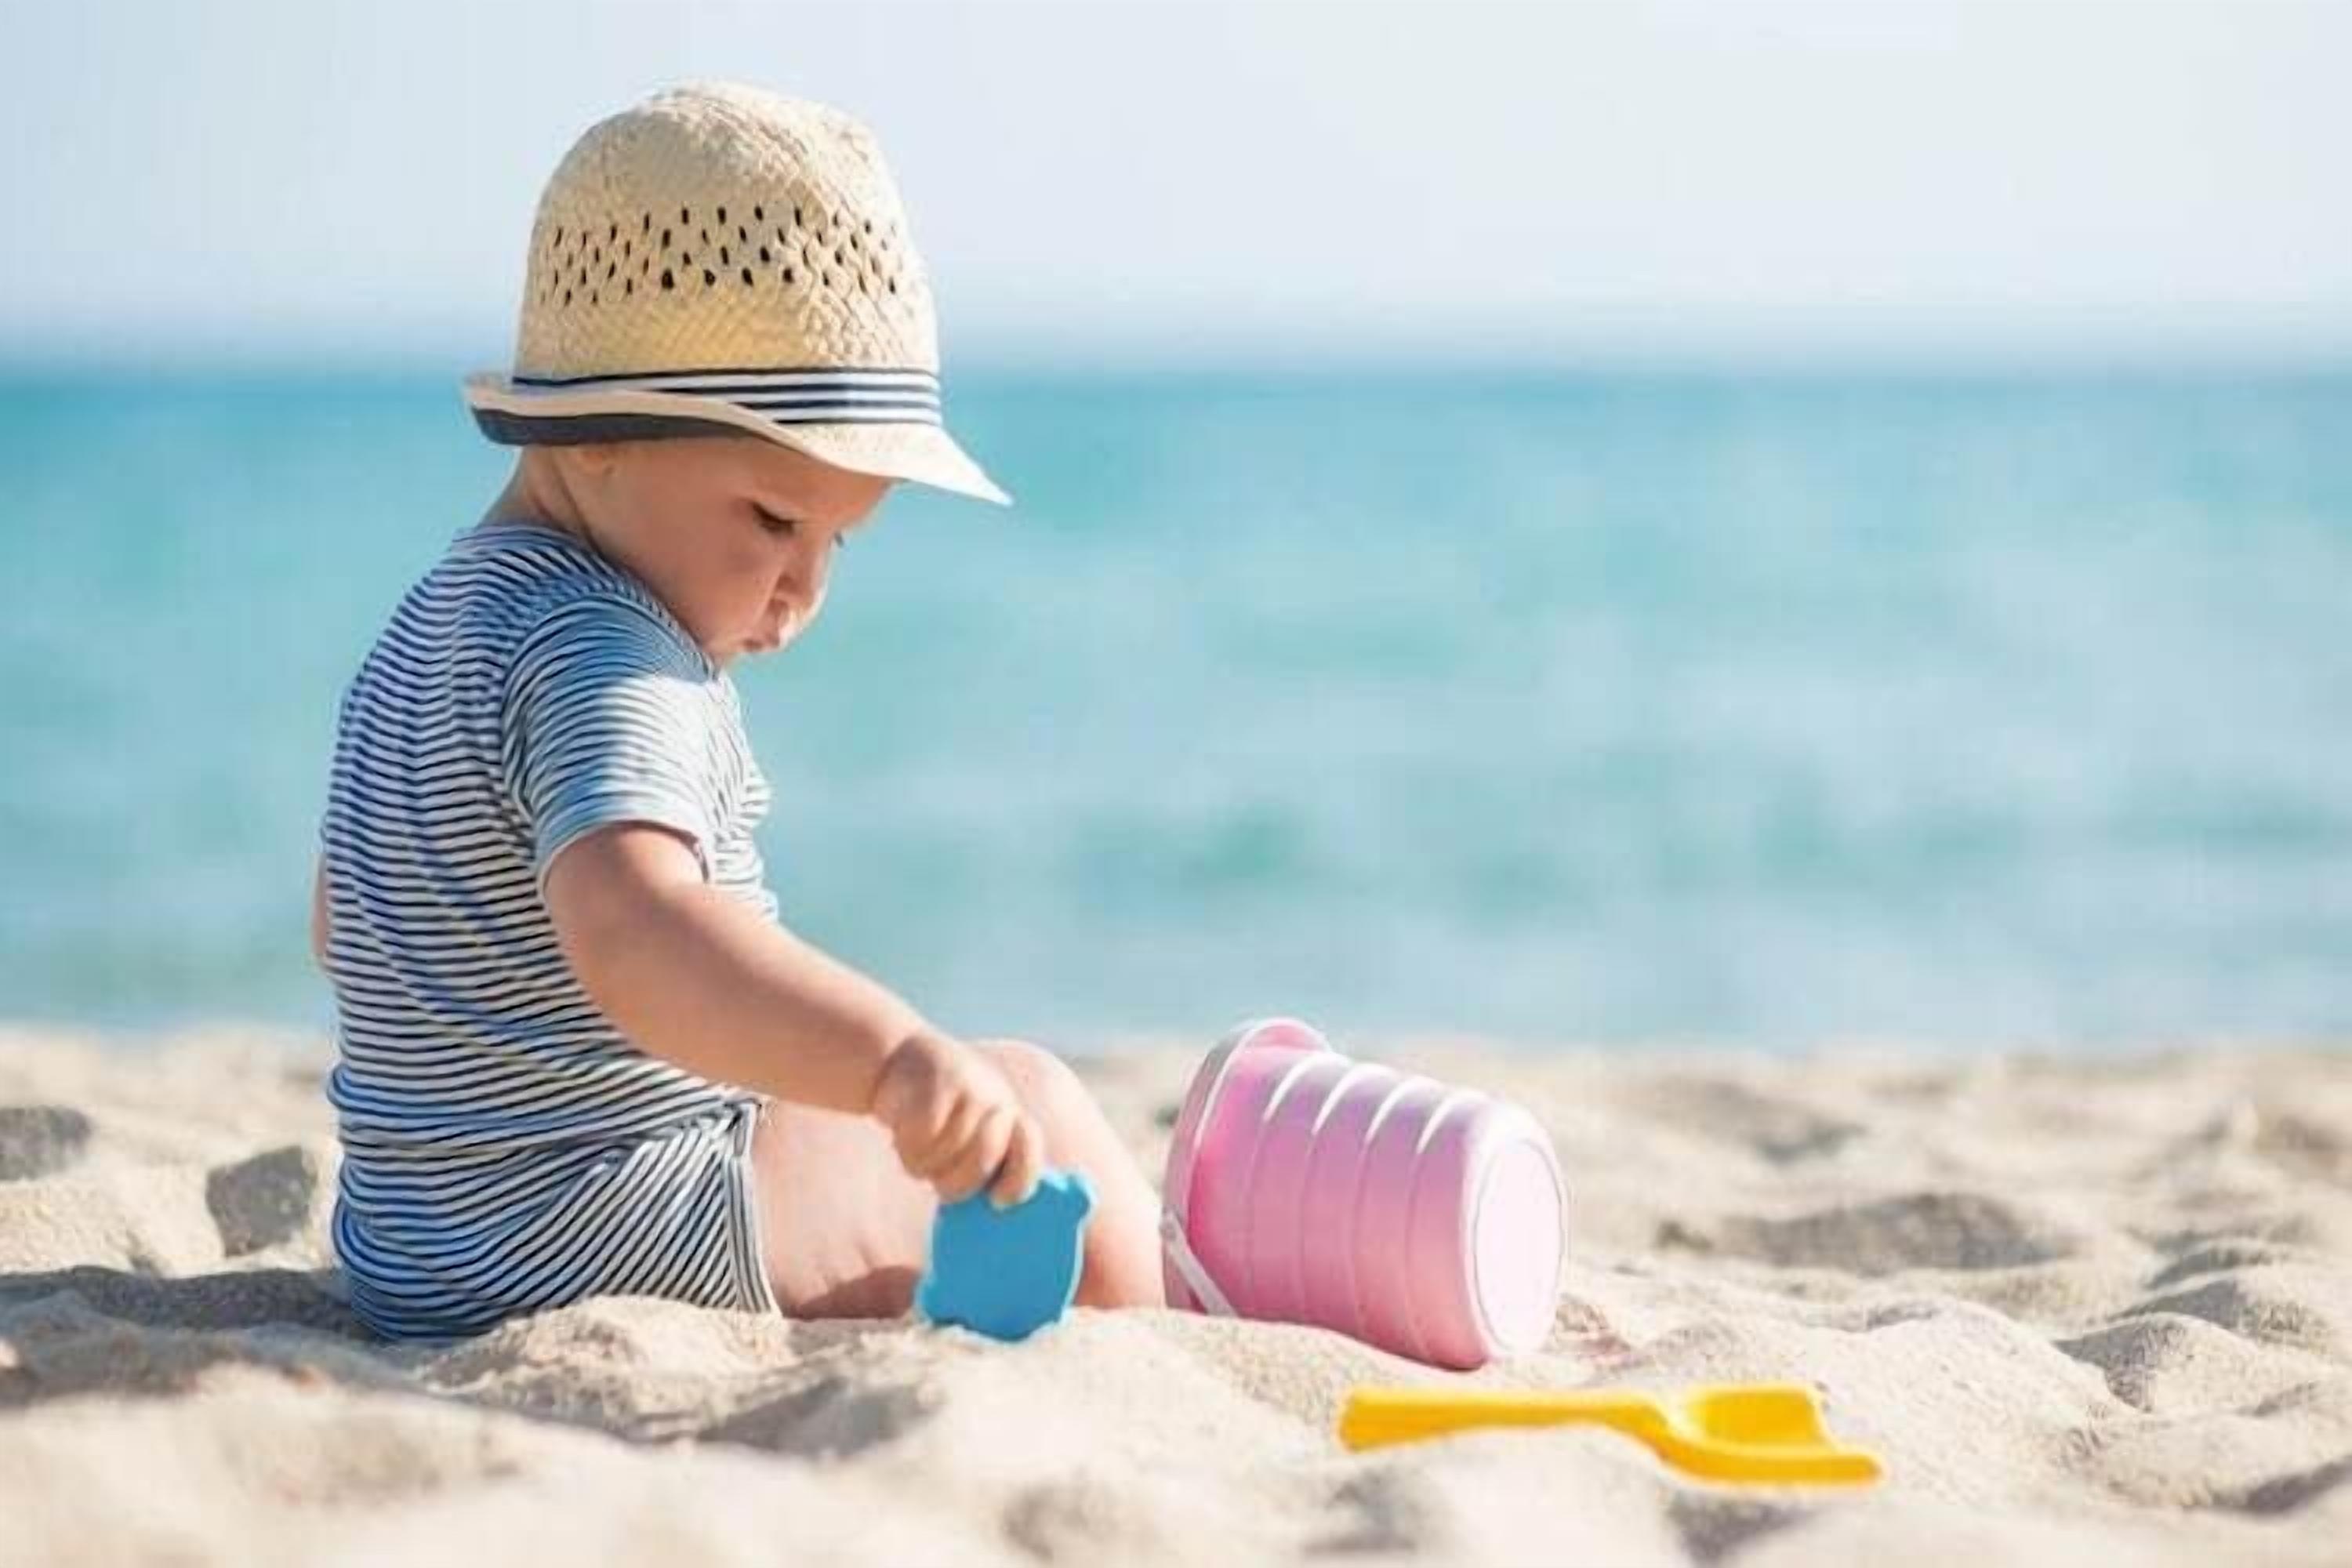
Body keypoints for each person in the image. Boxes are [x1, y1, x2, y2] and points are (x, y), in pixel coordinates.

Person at [313, 82, 1165, 1340]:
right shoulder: (606, 649)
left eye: (840, 539)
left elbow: (351, 922)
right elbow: (639, 932)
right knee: (1030, 1100)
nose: (804, 586)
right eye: (773, 519)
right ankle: (1181, 1325)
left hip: (409, 1244)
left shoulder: (427, 625)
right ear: (595, 436)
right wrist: (886, 1057)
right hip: (611, 1222)